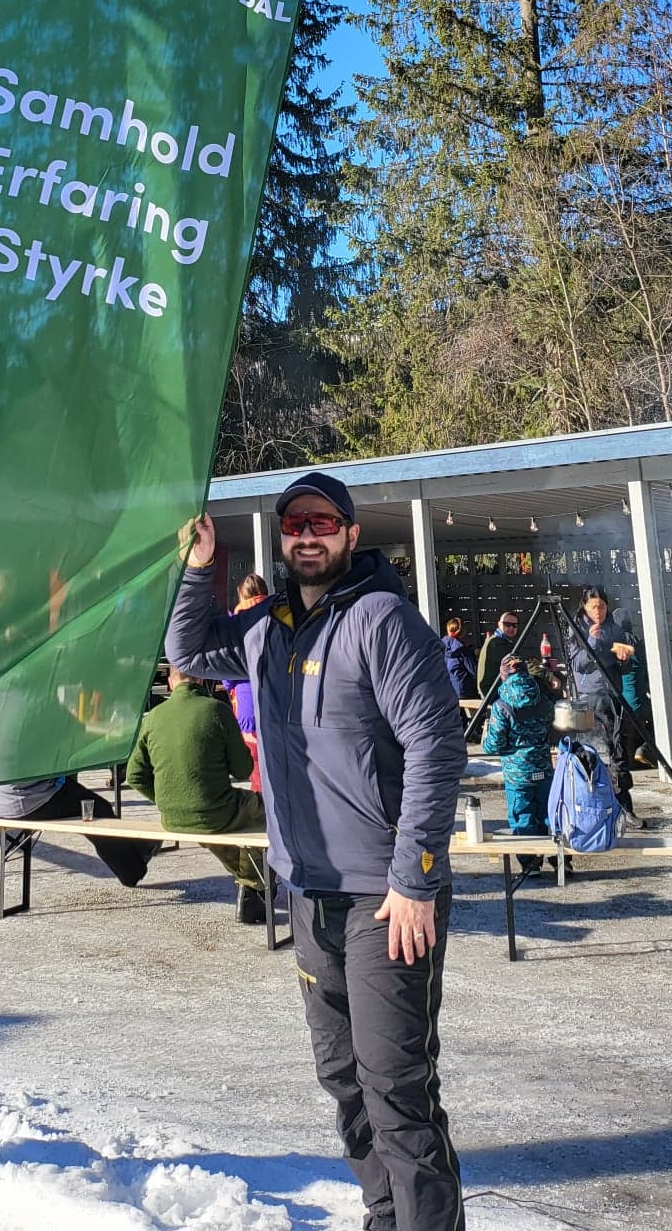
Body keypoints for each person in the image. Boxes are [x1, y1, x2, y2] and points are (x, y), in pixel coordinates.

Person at [165, 470, 468, 1231]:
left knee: (396, 1088)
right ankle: (384, 1218)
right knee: (343, 1080)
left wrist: (415, 879)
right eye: (295, 523)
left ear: (351, 534)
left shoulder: (382, 620)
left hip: (384, 898)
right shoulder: (266, 626)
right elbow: (188, 649)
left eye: (323, 523)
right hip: (306, 890)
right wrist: (200, 567)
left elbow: (436, 746)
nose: (308, 535)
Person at [126, 667, 267, 924]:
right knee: (265, 813)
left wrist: (165, 798)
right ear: (202, 679)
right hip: (216, 812)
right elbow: (243, 770)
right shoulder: (216, 710)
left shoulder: (154, 716)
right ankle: (254, 888)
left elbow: (134, 776)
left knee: (218, 821)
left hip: (171, 816)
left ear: (170, 683)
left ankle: (248, 882)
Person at [0, 774, 157, 886]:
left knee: (81, 806)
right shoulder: (29, 727)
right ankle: (132, 870)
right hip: (27, 801)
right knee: (97, 811)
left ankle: (141, 846)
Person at [568, 586, 638, 815]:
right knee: (593, 752)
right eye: (593, 607)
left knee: (618, 751)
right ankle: (594, 807)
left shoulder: (614, 629)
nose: (598, 612)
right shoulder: (576, 629)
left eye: (602, 607)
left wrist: (624, 659)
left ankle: (624, 807)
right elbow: (578, 664)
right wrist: (592, 640)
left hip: (613, 695)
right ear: (584, 607)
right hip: (589, 698)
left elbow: (625, 669)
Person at [482, 653, 555, 837]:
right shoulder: (543, 699)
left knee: (523, 820)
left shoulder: (501, 706)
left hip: (518, 774)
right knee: (548, 817)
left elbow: (494, 745)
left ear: (503, 675)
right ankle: (555, 853)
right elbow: (551, 726)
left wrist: (486, 741)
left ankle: (529, 855)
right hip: (543, 768)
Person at [224, 573, 269, 790]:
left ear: (240, 595)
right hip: (281, 705)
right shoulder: (279, 615)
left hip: (248, 707)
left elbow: (227, 677)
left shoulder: (234, 624)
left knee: (257, 769)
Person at [476, 611, 521, 696]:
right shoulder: (497, 644)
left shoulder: (497, 640)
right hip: (492, 693)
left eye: (514, 625)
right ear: (499, 624)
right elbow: (517, 665)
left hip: (494, 689)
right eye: (507, 624)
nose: (511, 628)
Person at [442, 618, 479, 699]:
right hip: (464, 691)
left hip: (447, 691)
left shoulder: (440, 648)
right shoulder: (464, 650)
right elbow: (474, 670)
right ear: (463, 632)